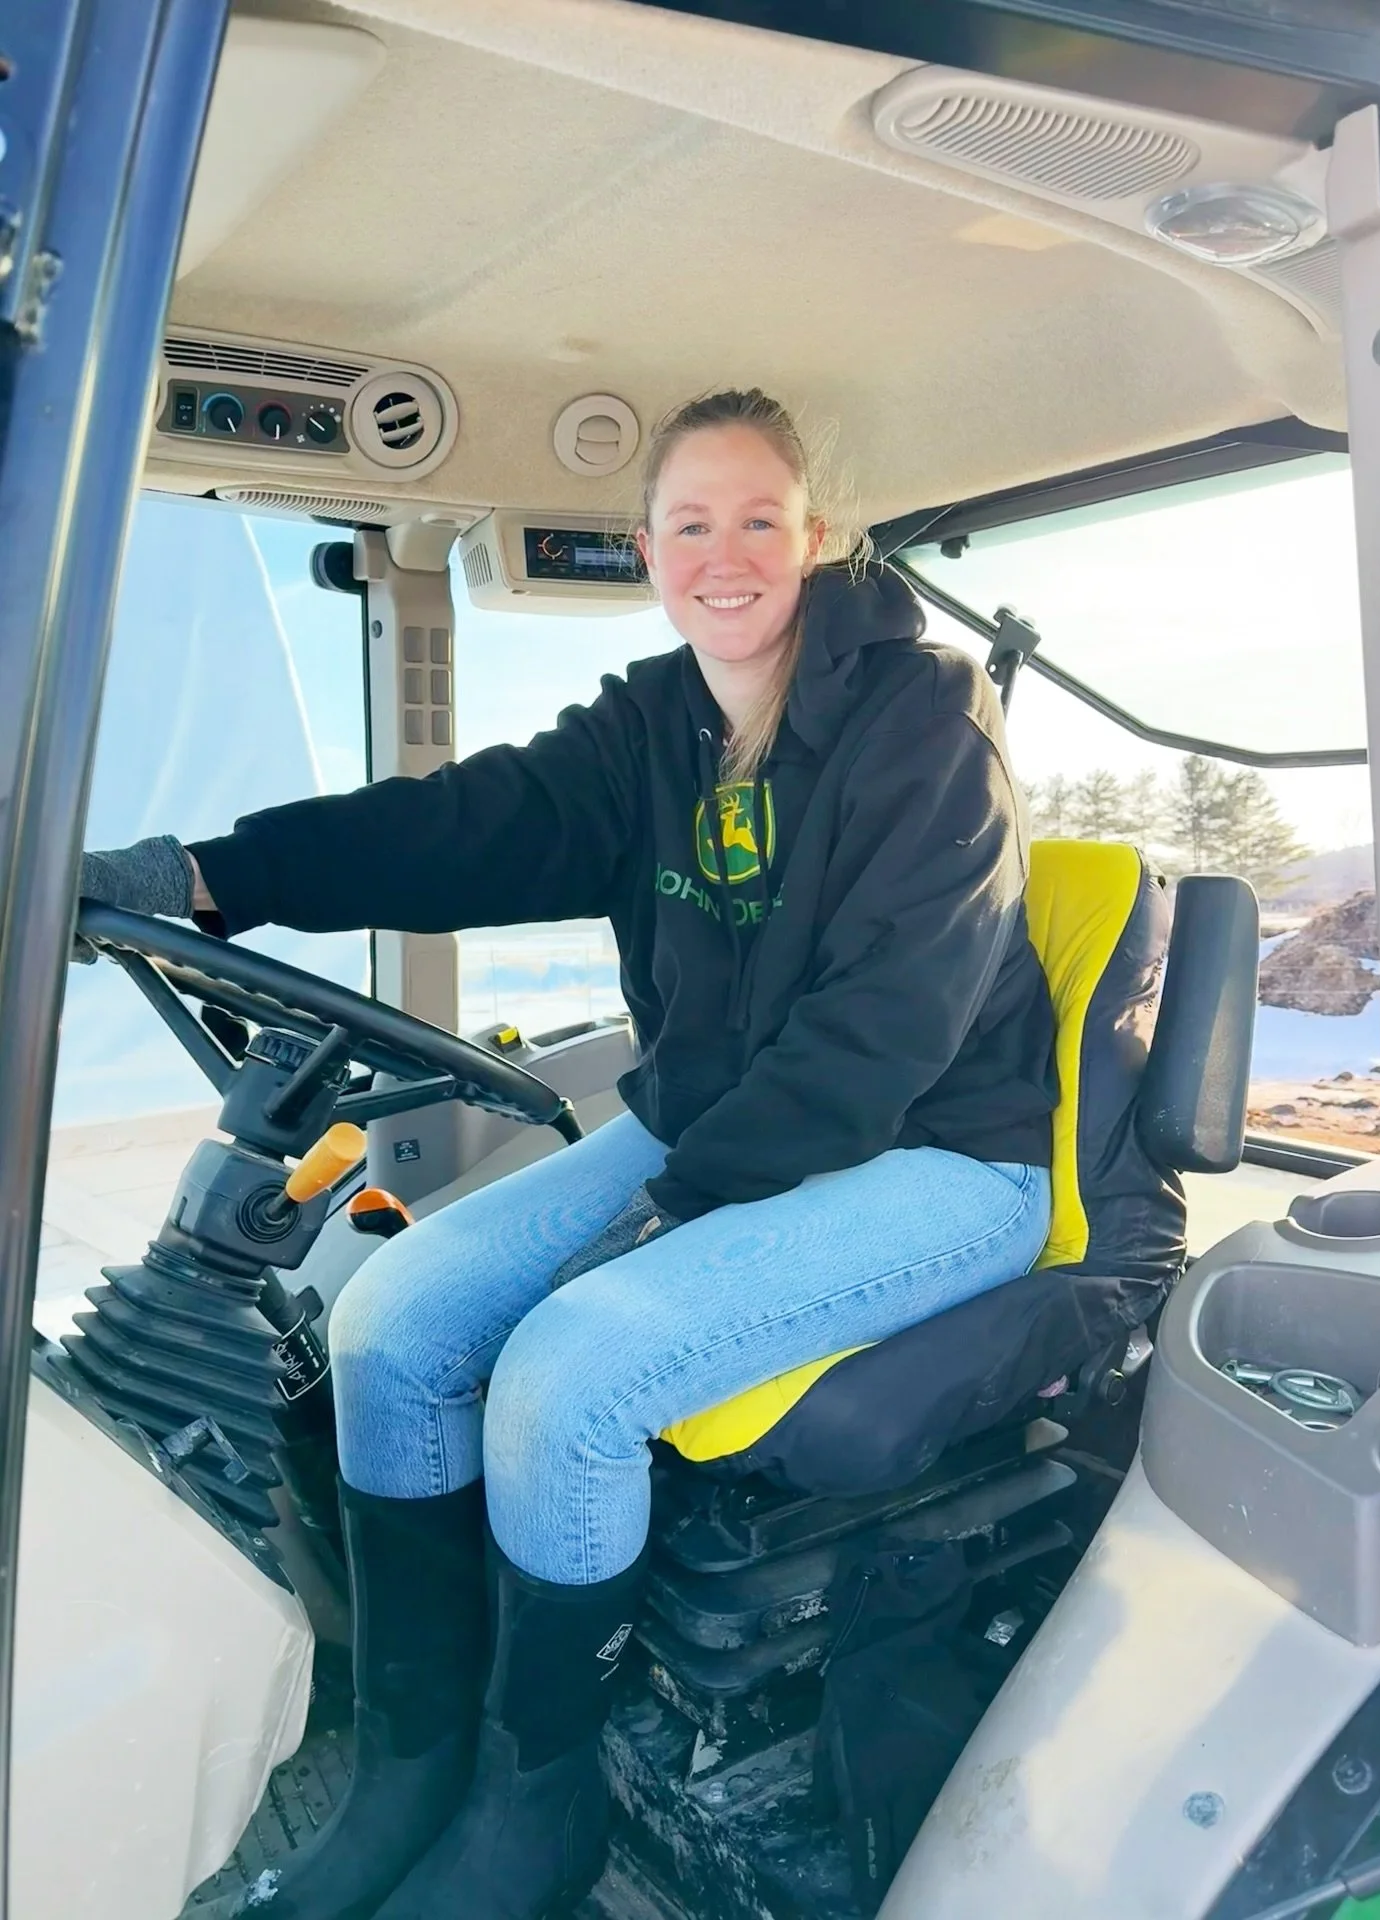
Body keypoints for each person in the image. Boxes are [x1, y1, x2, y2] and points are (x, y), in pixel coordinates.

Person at [79, 389, 1057, 1920]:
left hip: (944, 1153)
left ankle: (538, 1816)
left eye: (756, 521)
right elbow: (451, 826)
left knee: (564, 1383)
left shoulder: (922, 719)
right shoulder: (650, 731)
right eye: (687, 525)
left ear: (814, 540)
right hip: (717, 1123)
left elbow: (892, 1027)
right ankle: (413, 1769)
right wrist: (214, 876)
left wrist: (667, 1213)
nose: (721, 557)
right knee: (388, 1329)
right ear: (646, 547)